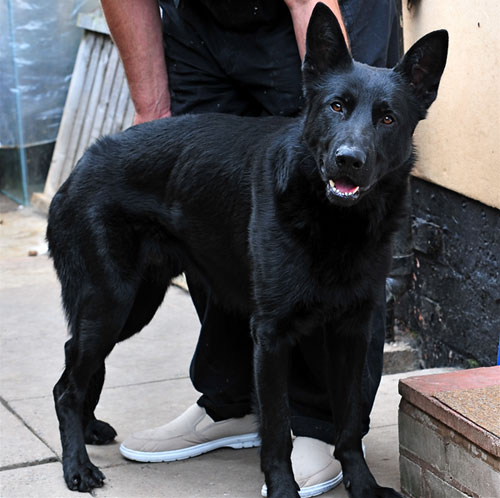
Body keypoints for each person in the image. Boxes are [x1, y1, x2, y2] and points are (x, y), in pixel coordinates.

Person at [101, 1, 400, 496]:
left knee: (332, 196)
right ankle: (233, 397)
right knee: (203, 197)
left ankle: (321, 426)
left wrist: (329, 83)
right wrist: (152, 111)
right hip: (203, 25)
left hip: (315, 9)